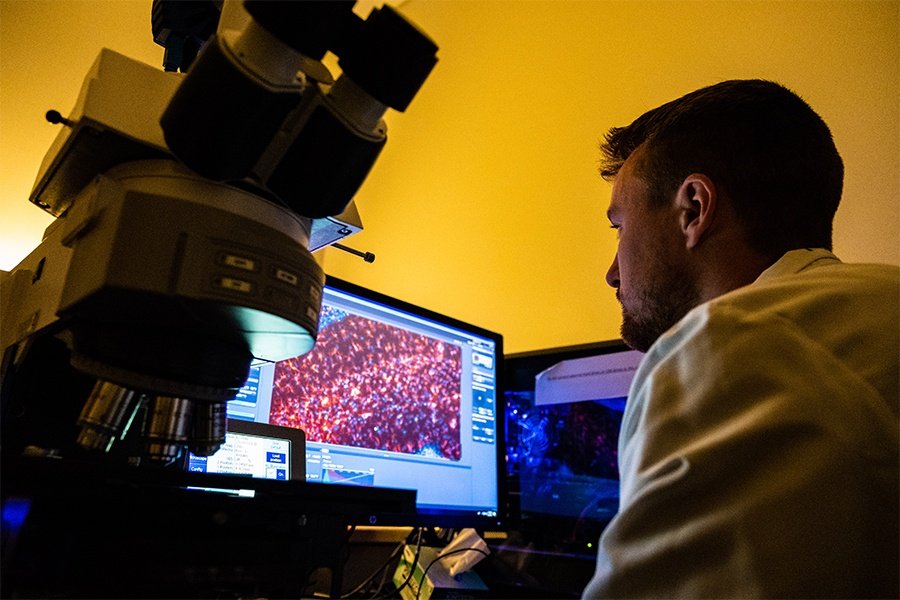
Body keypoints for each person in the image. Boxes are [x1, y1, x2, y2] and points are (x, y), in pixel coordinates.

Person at [582, 79, 899, 598]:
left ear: (694, 208)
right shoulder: (880, 302)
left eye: (619, 226)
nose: (613, 273)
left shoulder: (729, 346)